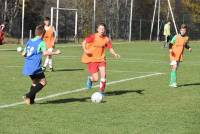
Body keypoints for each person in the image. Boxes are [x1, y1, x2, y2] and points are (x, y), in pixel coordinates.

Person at [22, 25, 61, 105]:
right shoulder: (41, 42)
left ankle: (31, 101)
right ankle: (27, 95)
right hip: (35, 67)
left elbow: (23, 54)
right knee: (43, 82)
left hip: (28, 66)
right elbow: (45, 53)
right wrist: (56, 52)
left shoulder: (29, 41)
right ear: (43, 34)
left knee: (35, 82)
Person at [81, 23, 120, 95]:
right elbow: (83, 42)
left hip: (102, 59)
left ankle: (101, 92)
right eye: (100, 29)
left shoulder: (106, 39)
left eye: (103, 29)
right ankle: (90, 79)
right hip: (92, 60)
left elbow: (110, 48)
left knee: (103, 75)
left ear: (105, 30)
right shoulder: (93, 37)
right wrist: (85, 50)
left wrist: (114, 54)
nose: (102, 30)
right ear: (97, 29)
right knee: (95, 79)